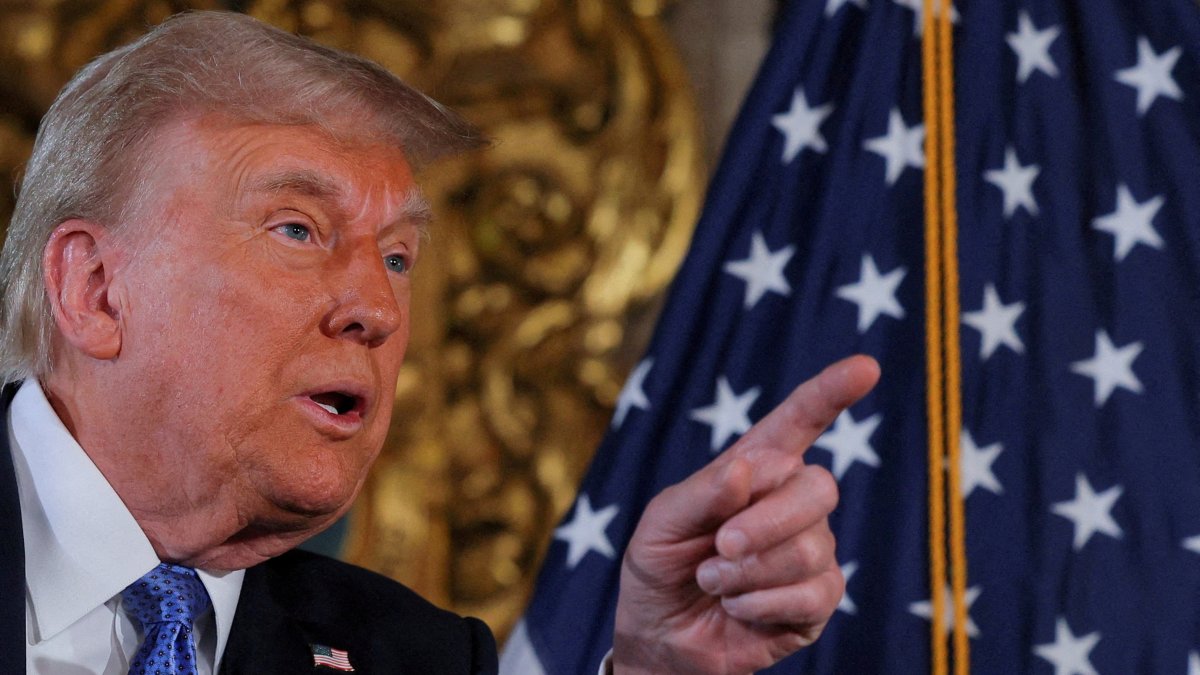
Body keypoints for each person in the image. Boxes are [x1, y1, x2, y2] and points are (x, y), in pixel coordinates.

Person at [0, 10, 880, 675]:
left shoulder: (415, 655)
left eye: (397, 256)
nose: (376, 308)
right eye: (300, 230)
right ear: (96, 288)